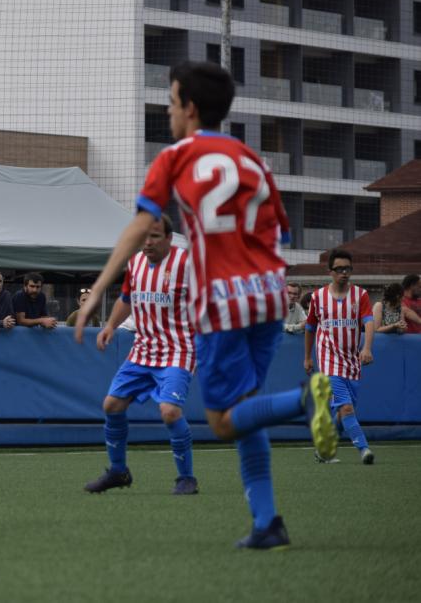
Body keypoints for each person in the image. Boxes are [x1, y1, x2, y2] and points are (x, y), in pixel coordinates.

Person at [74, 60, 337, 550]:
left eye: (171, 103)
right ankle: (267, 523)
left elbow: (137, 225)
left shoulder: (175, 157)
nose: (169, 112)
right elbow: (282, 232)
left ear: (190, 109)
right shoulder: (251, 159)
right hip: (271, 295)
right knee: (245, 413)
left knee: (220, 421)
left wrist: (98, 292)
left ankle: (304, 401)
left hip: (223, 302)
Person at [85, 214, 199, 495]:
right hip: (143, 350)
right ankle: (118, 471)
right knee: (111, 405)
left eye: (155, 236)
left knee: (170, 411)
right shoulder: (135, 263)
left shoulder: (187, 264)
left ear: (170, 239)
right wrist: (110, 325)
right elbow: (126, 300)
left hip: (178, 350)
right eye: (144, 237)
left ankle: (187, 479)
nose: (148, 242)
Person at [304, 250, 375, 464]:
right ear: (330, 272)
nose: (344, 273)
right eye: (339, 269)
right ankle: (364, 449)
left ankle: (323, 449)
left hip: (352, 361)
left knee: (342, 411)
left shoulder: (360, 295)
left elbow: (369, 321)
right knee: (345, 408)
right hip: (328, 360)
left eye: (348, 269)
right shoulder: (318, 297)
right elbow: (310, 327)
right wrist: (307, 357)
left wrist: (367, 348)